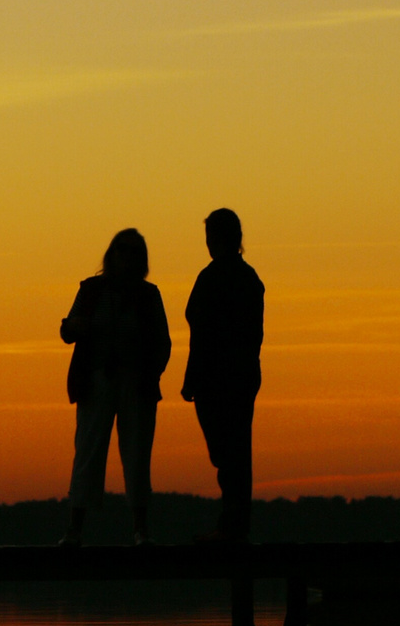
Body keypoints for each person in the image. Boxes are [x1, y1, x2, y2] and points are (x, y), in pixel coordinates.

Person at [60, 229, 172, 546]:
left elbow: (163, 342)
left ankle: (140, 529)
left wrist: (150, 374)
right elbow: (68, 330)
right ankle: (74, 530)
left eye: (134, 251)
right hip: (96, 380)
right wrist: (75, 326)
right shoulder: (91, 290)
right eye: (122, 249)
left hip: (136, 382)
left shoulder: (149, 295)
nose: (127, 255)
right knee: (88, 453)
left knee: (137, 455)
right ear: (112, 253)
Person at [181, 209, 266, 543]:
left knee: (229, 453)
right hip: (236, 376)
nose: (210, 244)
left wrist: (194, 377)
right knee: (231, 452)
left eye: (213, 237)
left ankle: (233, 526)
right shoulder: (244, 278)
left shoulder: (222, 278)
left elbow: (204, 334)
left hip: (223, 378)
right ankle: (234, 523)